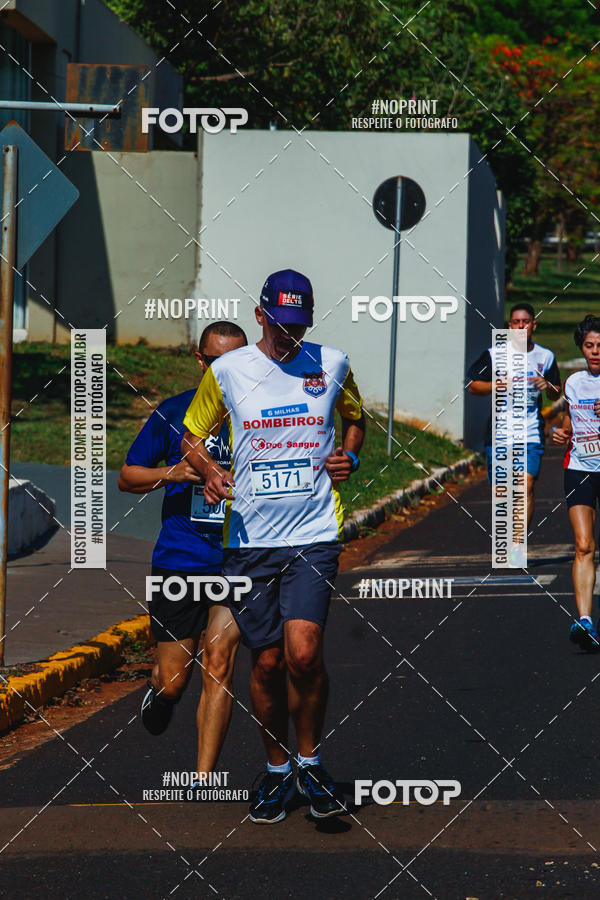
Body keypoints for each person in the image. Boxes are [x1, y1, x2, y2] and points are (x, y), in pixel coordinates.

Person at [181, 269, 365, 823]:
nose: (290, 337)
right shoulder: (230, 371)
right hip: (249, 541)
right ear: (260, 315)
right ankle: (277, 769)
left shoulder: (331, 364)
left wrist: (348, 457)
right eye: (281, 325)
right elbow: (192, 434)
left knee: (303, 654)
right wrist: (210, 471)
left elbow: (355, 420)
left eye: (299, 326)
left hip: (313, 532)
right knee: (264, 664)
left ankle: (311, 761)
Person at [118, 321, 247, 776]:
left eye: (237, 361)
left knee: (220, 664)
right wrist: (172, 474)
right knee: (175, 680)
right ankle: (160, 691)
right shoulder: (174, 412)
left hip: (236, 561)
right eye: (217, 363)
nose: (227, 371)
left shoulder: (261, 415)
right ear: (200, 361)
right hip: (180, 560)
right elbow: (128, 476)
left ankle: (202, 778)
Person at [467, 302, 561, 531]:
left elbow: (556, 392)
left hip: (530, 431)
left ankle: (518, 545)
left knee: (525, 486)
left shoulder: (545, 356)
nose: (521, 326)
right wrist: (496, 385)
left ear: (533, 325)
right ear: (510, 327)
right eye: (516, 322)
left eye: (525, 322)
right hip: (499, 434)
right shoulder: (494, 355)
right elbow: (472, 386)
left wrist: (546, 384)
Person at [552, 314, 600, 652]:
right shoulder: (573, 383)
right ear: (581, 348)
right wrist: (561, 432)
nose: (596, 351)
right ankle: (585, 620)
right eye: (589, 346)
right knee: (583, 545)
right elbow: (568, 422)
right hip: (580, 467)